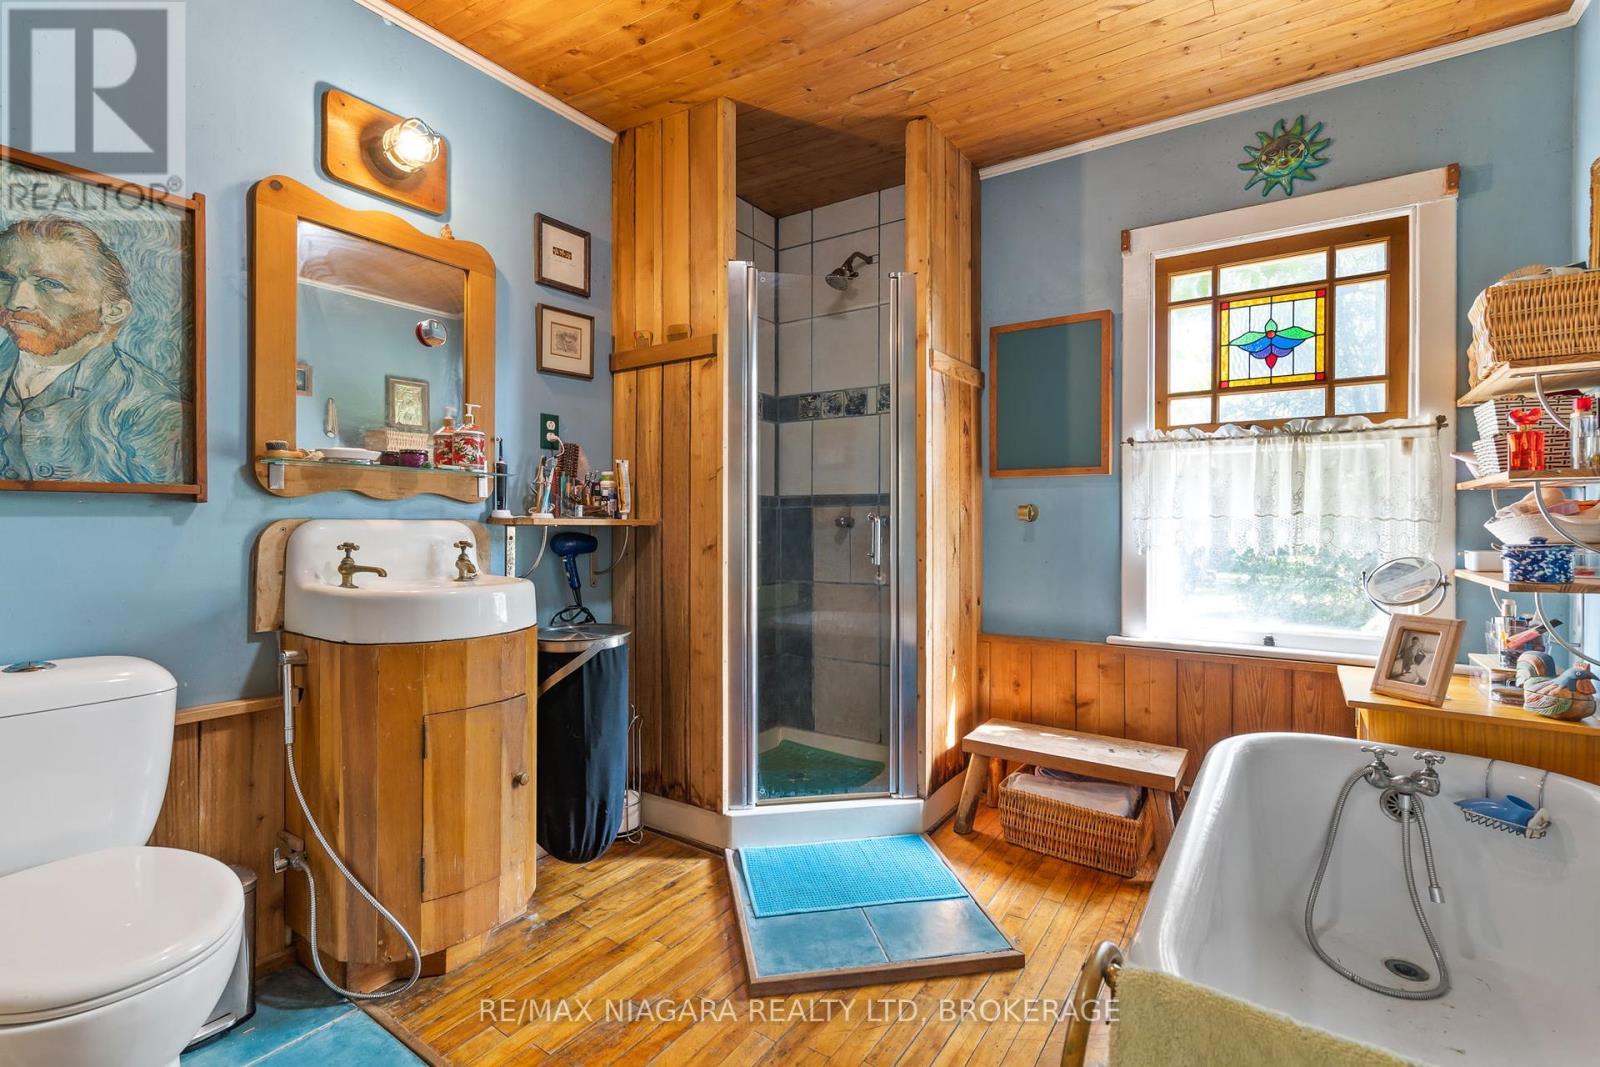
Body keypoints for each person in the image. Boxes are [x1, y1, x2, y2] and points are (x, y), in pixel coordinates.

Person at [0, 215, 187, 484]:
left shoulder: (151, 408)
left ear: (112, 311)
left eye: (51, 284)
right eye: (6, 278)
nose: (17, 301)